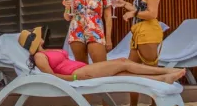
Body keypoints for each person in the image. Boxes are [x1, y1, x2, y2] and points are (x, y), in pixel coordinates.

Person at [18, 26, 184, 84]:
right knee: (122, 62)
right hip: (78, 74)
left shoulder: (47, 51)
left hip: (83, 69)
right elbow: (52, 77)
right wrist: (75, 79)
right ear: (35, 41)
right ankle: (166, 72)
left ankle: (162, 79)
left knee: (123, 73)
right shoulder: (39, 57)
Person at [113, 0, 164, 106]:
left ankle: (158, 104)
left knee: (152, 71)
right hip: (139, 33)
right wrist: (126, 4)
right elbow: (141, 9)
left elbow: (152, 14)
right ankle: (133, 105)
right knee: (131, 69)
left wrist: (132, 14)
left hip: (147, 32)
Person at [62, 0, 112, 64]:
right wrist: (67, 8)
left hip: (95, 28)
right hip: (76, 29)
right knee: (82, 67)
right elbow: (67, 17)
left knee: (101, 66)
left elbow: (108, 17)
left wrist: (108, 38)